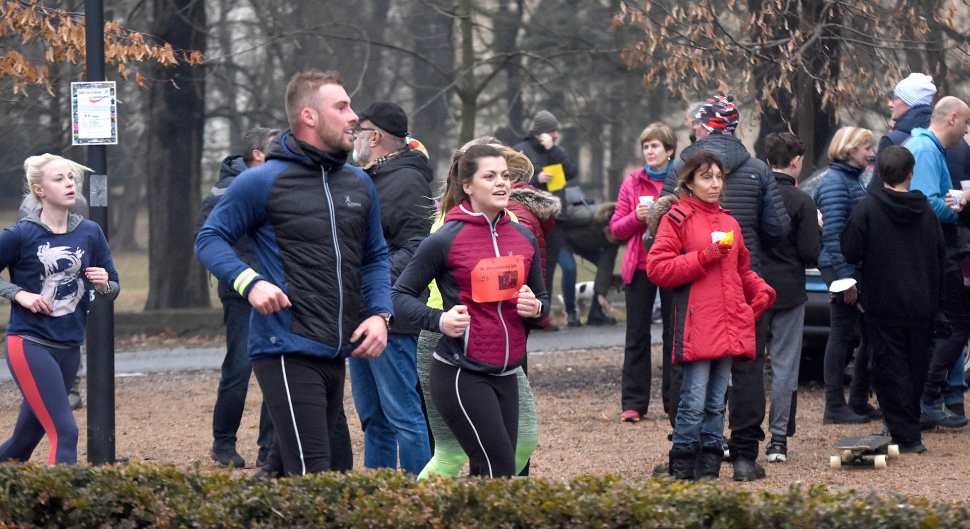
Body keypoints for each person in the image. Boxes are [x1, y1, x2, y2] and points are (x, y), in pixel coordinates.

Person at [195, 70, 393, 477]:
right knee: (316, 473)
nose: (354, 116)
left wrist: (379, 314)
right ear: (309, 116)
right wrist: (249, 282)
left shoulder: (359, 184)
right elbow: (209, 237)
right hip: (284, 345)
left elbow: (374, 257)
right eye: (341, 107)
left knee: (290, 470)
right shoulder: (260, 181)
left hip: (337, 349)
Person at [393, 144, 549, 478]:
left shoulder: (523, 237)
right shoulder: (445, 238)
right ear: (467, 185)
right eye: (490, 176)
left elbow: (543, 301)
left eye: (506, 176)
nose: (501, 183)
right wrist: (440, 319)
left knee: (502, 468)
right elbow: (400, 295)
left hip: (508, 373)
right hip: (460, 371)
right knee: (498, 466)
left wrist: (535, 307)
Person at [659, 94, 791, 482]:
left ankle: (697, 455)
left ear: (703, 125)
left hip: (715, 292)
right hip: (720, 293)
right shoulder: (757, 169)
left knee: (694, 376)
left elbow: (660, 230)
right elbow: (776, 229)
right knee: (742, 372)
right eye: (709, 178)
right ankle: (743, 455)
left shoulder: (686, 168)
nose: (716, 183)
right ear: (735, 127)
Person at [0, 154, 120, 464]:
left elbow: (112, 290)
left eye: (70, 178)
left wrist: (104, 284)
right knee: (65, 432)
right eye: (59, 179)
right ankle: (62, 509)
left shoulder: (90, 232)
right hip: (29, 343)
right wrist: (18, 294)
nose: (69, 184)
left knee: (22, 443)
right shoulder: (20, 235)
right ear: (39, 189)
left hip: (69, 348)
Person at [841, 145, 946, 454]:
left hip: (882, 304)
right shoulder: (926, 211)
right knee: (916, 367)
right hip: (921, 303)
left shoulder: (868, 208)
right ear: (911, 174)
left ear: (880, 173)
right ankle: (910, 428)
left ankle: (905, 434)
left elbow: (850, 250)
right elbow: (939, 258)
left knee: (889, 369)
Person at [350, 101, 434, 473]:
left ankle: (422, 502)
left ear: (375, 136)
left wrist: (371, 281)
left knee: (403, 416)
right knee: (373, 419)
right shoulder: (370, 176)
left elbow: (417, 248)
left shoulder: (406, 178)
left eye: (357, 131)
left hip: (393, 318)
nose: (352, 138)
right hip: (361, 315)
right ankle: (380, 500)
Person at [195, 127, 279, 469]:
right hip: (241, 294)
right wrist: (247, 277)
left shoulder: (279, 182)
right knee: (239, 369)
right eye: (275, 146)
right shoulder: (226, 188)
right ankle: (223, 444)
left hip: (278, 293)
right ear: (257, 154)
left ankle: (270, 448)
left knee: (277, 368)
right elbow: (208, 237)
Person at [906, 96, 970, 428]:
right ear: (953, 119)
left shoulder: (925, 147)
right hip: (934, 252)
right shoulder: (927, 150)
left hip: (932, 252)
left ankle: (925, 397)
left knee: (947, 325)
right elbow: (927, 204)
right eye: (966, 123)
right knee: (958, 323)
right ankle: (928, 397)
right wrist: (960, 204)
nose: (966, 130)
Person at [760, 133, 822, 462]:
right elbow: (811, 252)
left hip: (754, 287)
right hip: (790, 290)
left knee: (749, 363)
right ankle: (778, 439)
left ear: (769, 160)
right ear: (796, 162)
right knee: (785, 366)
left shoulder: (755, 194)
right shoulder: (802, 202)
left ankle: (743, 431)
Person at [610, 122, 676, 423]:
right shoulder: (631, 183)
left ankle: (675, 402)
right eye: (646, 146)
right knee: (636, 335)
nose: (649, 151)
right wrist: (637, 218)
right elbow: (615, 229)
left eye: (655, 146)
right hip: (639, 267)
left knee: (674, 335)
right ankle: (634, 403)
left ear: (669, 150)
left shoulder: (680, 179)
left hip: (674, 265)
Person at [812, 126, 878, 424]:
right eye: (866, 147)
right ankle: (835, 405)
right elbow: (835, 235)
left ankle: (857, 400)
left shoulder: (850, 180)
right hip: (842, 269)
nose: (871, 153)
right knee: (842, 335)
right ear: (851, 150)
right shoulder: (837, 183)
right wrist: (846, 280)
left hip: (849, 268)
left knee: (864, 335)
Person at [514, 110, 579, 327]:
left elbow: (571, 171)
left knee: (548, 266)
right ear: (541, 133)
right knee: (529, 267)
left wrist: (554, 150)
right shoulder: (521, 150)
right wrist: (537, 175)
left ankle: (544, 316)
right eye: (553, 131)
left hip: (555, 220)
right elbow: (513, 175)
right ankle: (527, 314)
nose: (557, 134)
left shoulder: (556, 150)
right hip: (529, 219)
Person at [867, 73, 937, 192]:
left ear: (910, 102)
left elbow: (877, 189)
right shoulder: (947, 138)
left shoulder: (892, 140)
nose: (890, 104)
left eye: (895, 98)